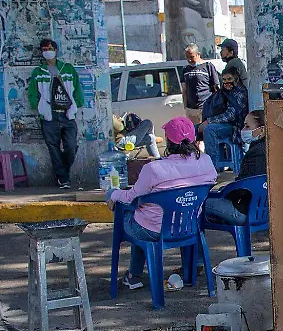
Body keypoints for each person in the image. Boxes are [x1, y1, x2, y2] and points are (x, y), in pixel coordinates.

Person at [107, 116, 218, 291]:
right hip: (190, 225)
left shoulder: (154, 169)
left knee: (133, 213)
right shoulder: (206, 161)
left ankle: (134, 275)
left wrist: (113, 194)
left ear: (168, 140)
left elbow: (130, 197)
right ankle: (193, 265)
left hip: (154, 230)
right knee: (146, 213)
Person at [27, 38, 83, 189]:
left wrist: (76, 104)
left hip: (67, 114)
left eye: (50, 49)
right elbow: (32, 93)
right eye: (44, 50)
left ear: (56, 50)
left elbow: (77, 89)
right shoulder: (38, 72)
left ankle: (63, 170)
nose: (47, 52)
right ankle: (63, 178)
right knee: (53, 147)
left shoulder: (68, 69)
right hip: (49, 115)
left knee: (71, 146)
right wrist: (39, 107)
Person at [203, 111, 267, 226]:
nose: (243, 130)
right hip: (264, 212)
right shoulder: (268, 149)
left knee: (199, 204)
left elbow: (242, 188)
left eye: (247, 126)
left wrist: (223, 192)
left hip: (244, 211)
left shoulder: (256, 153)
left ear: (261, 130)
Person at [200, 70, 249, 172]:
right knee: (191, 130)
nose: (227, 82)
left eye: (229, 79)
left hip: (235, 126)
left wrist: (209, 121)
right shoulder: (223, 92)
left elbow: (231, 115)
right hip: (221, 123)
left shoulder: (240, 92)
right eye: (224, 80)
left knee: (209, 130)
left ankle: (212, 168)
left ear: (236, 79)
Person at [180, 43, 219, 130]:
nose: (189, 60)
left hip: (206, 107)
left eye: (192, 57)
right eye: (187, 57)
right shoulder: (185, 69)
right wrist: (185, 107)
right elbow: (184, 90)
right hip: (191, 109)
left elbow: (216, 88)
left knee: (206, 131)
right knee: (194, 132)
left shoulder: (208, 66)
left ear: (198, 54)